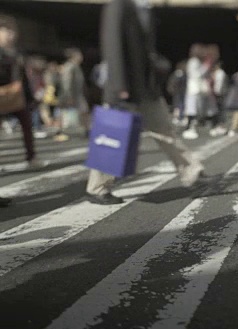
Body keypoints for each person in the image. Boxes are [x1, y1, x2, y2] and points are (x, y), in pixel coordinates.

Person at [86, 0, 204, 205]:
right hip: (125, 88)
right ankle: (97, 188)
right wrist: (119, 85)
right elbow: (112, 45)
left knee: (165, 130)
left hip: (146, 89)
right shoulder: (118, 6)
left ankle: (191, 171)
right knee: (112, 138)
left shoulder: (144, 9)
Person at [0, 14, 46, 174]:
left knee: (27, 125)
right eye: (7, 31)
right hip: (2, 94)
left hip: (18, 95)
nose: (11, 35)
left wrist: (31, 97)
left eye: (13, 31)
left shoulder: (18, 52)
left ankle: (32, 157)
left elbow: (24, 77)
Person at [59, 48, 90, 137]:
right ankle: (64, 130)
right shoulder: (69, 66)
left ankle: (86, 130)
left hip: (78, 94)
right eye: (79, 55)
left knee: (83, 112)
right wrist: (68, 96)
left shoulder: (76, 66)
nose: (81, 57)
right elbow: (67, 82)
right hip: (73, 95)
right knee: (81, 111)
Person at [183, 43, 206, 140]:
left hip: (192, 88)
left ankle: (190, 127)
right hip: (195, 88)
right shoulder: (195, 61)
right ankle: (190, 128)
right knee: (193, 109)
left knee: (192, 109)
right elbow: (198, 74)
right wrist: (206, 68)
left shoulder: (192, 61)